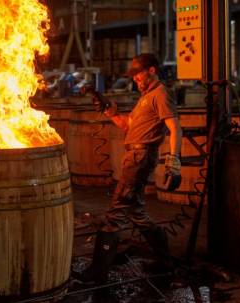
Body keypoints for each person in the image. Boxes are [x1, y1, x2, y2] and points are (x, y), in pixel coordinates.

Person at [74, 53, 183, 284]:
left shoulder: (161, 94)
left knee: (115, 212)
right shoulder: (146, 97)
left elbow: (175, 128)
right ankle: (165, 262)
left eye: (138, 74)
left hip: (141, 156)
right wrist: (110, 112)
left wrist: (173, 161)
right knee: (136, 212)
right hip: (134, 154)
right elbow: (128, 125)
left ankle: (97, 272)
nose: (135, 79)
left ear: (152, 71)